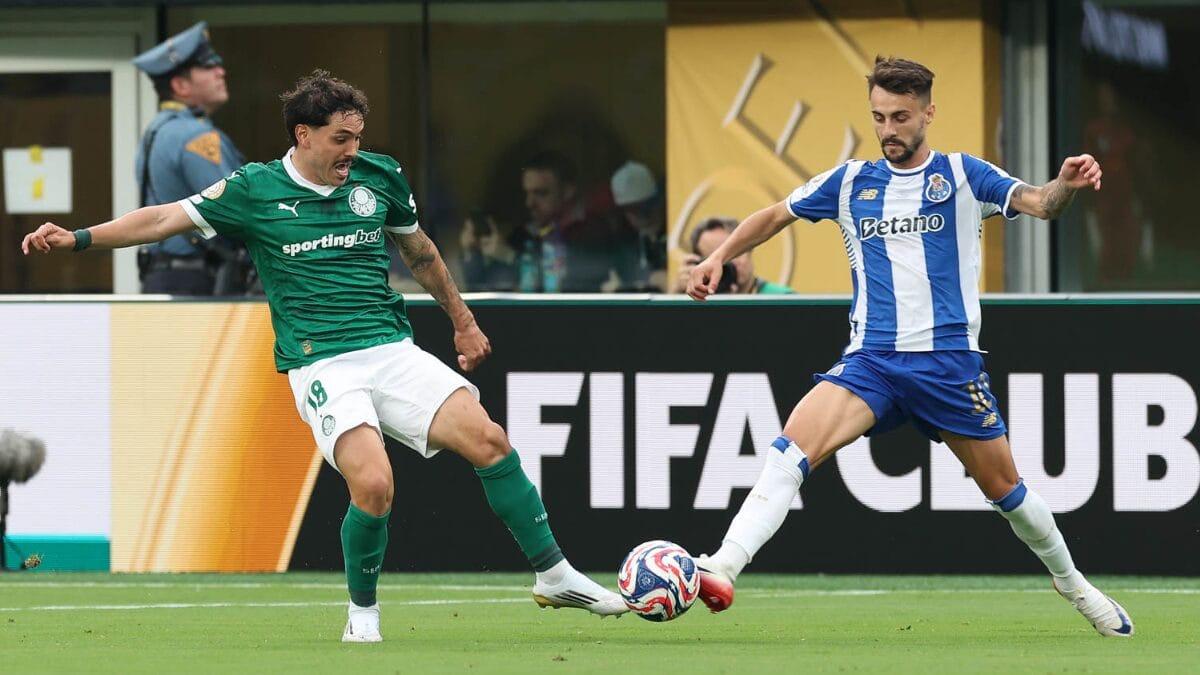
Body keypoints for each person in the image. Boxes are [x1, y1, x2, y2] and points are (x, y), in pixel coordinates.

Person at [22, 70, 626, 642]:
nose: (352, 150)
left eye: (358, 137)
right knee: (374, 485)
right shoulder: (252, 189)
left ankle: (554, 574)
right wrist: (77, 237)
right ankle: (362, 613)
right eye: (341, 139)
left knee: (491, 441)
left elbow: (420, 254)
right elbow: (161, 219)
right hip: (322, 363)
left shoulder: (379, 176)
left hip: (390, 348)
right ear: (303, 135)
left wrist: (463, 323)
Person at [685, 56, 1132, 638]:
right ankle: (724, 565)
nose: (888, 130)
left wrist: (1064, 186)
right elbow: (775, 215)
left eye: (900, 117)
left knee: (1007, 492)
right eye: (878, 117)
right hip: (871, 360)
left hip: (948, 365)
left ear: (928, 112)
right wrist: (718, 258)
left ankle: (1073, 583)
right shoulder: (849, 182)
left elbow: (1039, 203)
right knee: (791, 448)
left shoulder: (964, 176)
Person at [132, 21, 252, 295]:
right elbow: (234, 209)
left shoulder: (155, 130)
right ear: (180, 85)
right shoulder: (197, 137)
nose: (220, 72)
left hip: (163, 275)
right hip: (197, 280)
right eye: (208, 67)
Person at [514, 150, 614, 292]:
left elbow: (582, 278)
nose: (529, 203)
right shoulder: (524, 233)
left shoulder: (592, 231)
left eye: (541, 193)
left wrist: (511, 257)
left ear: (568, 191)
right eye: (527, 193)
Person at [671, 217, 794, 294]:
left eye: (736, 252)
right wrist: (677, 296)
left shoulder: (782, 299)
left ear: (750, 249)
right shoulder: (697, 298)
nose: (730, 262)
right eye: (713, 257)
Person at [608, 161, 668, 292]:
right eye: (632, 210)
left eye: (646, 207)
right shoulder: (624, 244)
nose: (642, 217)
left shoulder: (678, 234)